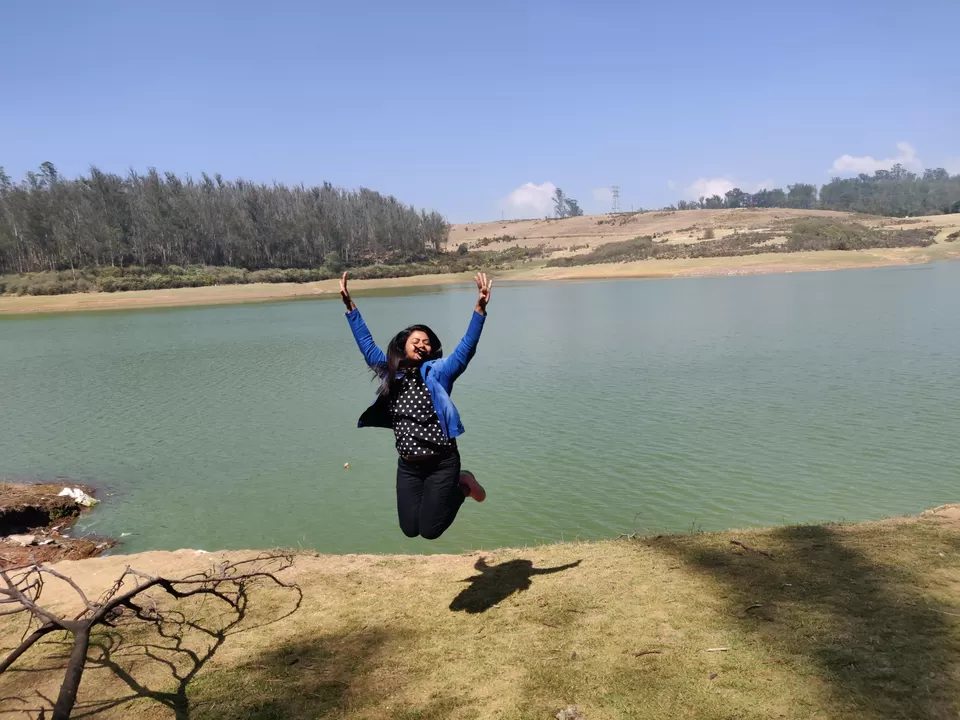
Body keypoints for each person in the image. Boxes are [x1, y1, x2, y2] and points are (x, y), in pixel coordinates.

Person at [340, 271, 492, 540]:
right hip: (409, 466)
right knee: (410, 530)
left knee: (431, 531)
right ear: (403, 346)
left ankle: (464, 485)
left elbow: (466, 349)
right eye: (416, 341)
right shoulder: (390, 372)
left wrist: (479, 309)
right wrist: (350, 308)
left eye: (427, 342)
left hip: (442, 463)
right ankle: (456, 485)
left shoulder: (440, 372)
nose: (422, 344)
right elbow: (366, 344)